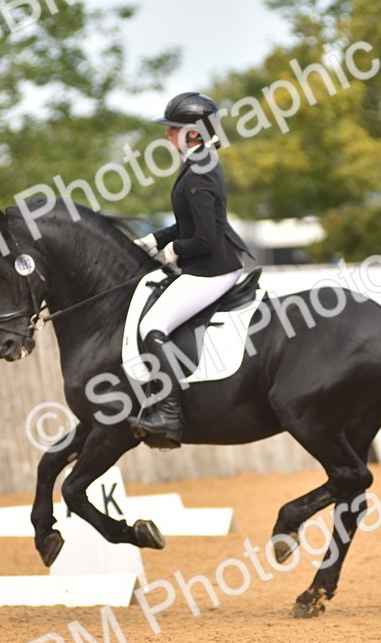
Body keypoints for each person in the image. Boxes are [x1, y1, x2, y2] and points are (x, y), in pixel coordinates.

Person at [131, 91, 253, 448]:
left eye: (173, 129)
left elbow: (203, 238)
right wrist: (153, 240)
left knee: (152, 325)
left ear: (194, 133)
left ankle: (169, 413)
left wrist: (172, 250)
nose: (167, 135)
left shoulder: (199, 171)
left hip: (211, 267)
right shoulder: (198, 163)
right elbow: (188, 223)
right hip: (209, 262)